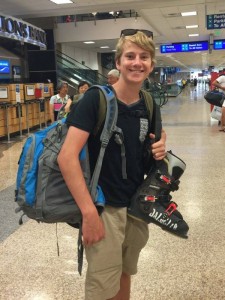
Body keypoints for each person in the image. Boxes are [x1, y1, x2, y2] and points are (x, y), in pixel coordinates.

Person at [58, 29, 166, 300]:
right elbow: (66, 157)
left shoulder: (150, 104)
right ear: (118, 63)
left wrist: (161, 146)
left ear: (151, 65)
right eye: (130, 56)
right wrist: (89, 214)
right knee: (102, 286)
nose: (137, 62)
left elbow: (149, 144)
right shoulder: (95, 100)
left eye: (144, 57)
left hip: (136, 206)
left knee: (124, 273)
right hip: (103, 207)